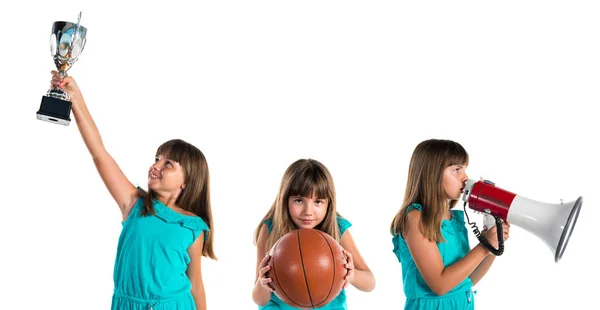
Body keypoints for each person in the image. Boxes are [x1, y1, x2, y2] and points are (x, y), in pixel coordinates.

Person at [50, 71, 216, 310]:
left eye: (168, 164)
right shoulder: (134, 204)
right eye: (157, 159)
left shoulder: (193, 227)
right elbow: (99, 153)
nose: (156, 166)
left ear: (187, 181)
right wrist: (75, 98)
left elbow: (195, 283)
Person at [390, 139, 510, 309]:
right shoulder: (415, 218)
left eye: (464, 169)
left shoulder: (455, 220)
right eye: (456, 170)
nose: (465, 177)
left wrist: (492, 246)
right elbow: (440, 285)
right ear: (432, 174)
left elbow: (468, 279)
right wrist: (484, 247)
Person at [252, 158, 376, 309]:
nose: (308, 212)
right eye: (298, 200)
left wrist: (351, 274)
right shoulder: (270, 230)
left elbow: (370, 283)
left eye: (318, 202)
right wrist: (263, 283)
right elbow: (259, 300)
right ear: (285, 200)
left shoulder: (338, 228)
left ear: (329, 203)